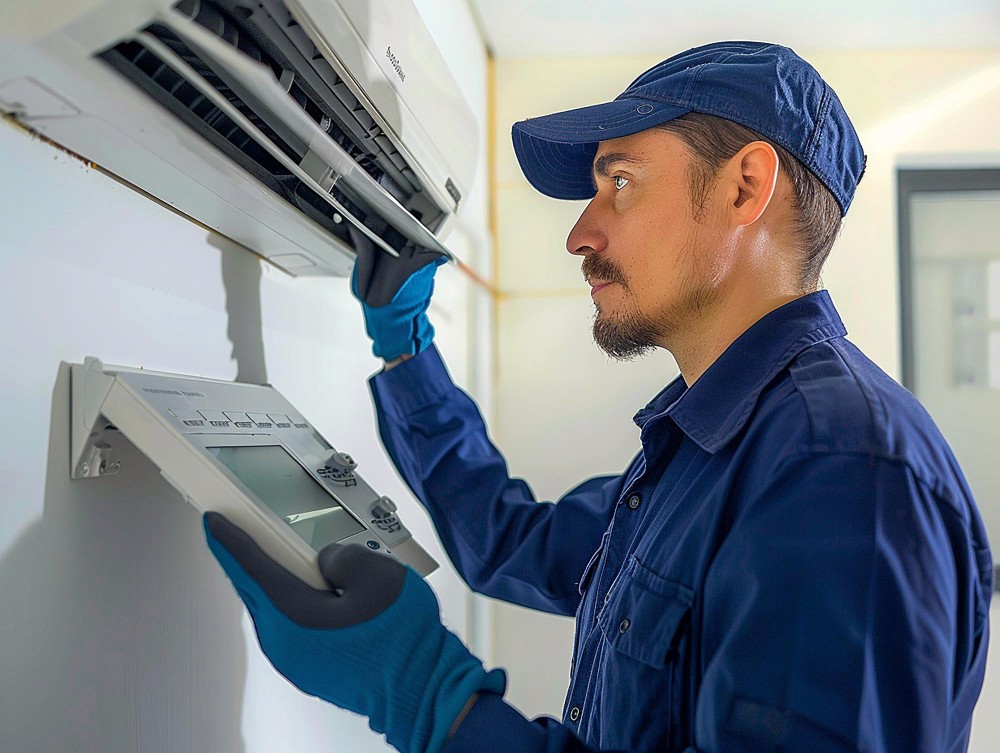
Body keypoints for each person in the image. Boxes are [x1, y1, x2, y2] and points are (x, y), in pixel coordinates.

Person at [203, 41, 994, 753]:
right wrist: (406, 348)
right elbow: (509, 541)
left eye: (620, 181)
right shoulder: (711, 450)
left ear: (746, 186)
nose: (580, 232)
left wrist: (430, 701)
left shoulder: (841, 471)